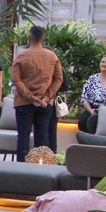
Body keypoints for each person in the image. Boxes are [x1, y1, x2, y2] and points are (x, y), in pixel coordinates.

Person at [10, 25, 64, 161]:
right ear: (43, 39)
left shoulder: (21, 55)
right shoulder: (52, 56)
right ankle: (41, 164)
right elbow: (59, 79)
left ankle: (22, 164)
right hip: (45, 103)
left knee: (23, 135)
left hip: (23, 102)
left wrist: (30, 97)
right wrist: (46, 97)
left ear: (29, 38)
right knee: (42, 135)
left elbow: (16, 79)